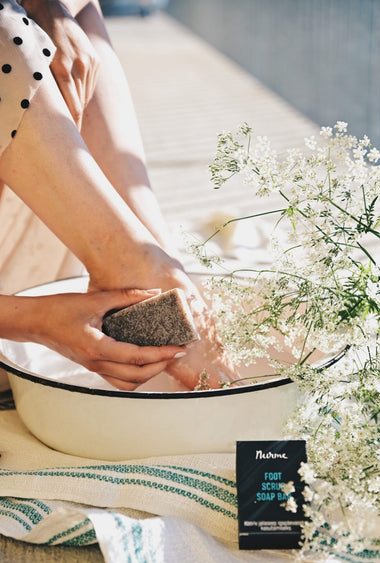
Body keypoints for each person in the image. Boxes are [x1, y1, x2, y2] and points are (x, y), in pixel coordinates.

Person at [0, 0, 237, 391]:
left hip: (33, 263)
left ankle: (149, 253)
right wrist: (38, 321)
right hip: (17, 316)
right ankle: (138, 265)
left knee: (72, 15)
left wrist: (44, 5)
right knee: (5, 32)